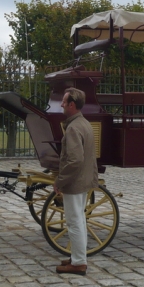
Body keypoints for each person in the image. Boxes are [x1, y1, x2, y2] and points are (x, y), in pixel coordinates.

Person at [53, 87, 98, 276]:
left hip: (75, 182)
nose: (61, 104)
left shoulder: (73, 128)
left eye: (64, 102)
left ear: (72, 105)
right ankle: (77, 257)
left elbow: (75, 160)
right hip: (83, 179)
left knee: (74, 222)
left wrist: (60, 181)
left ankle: (79, 263)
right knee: (78, 220)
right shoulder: (83, 123)